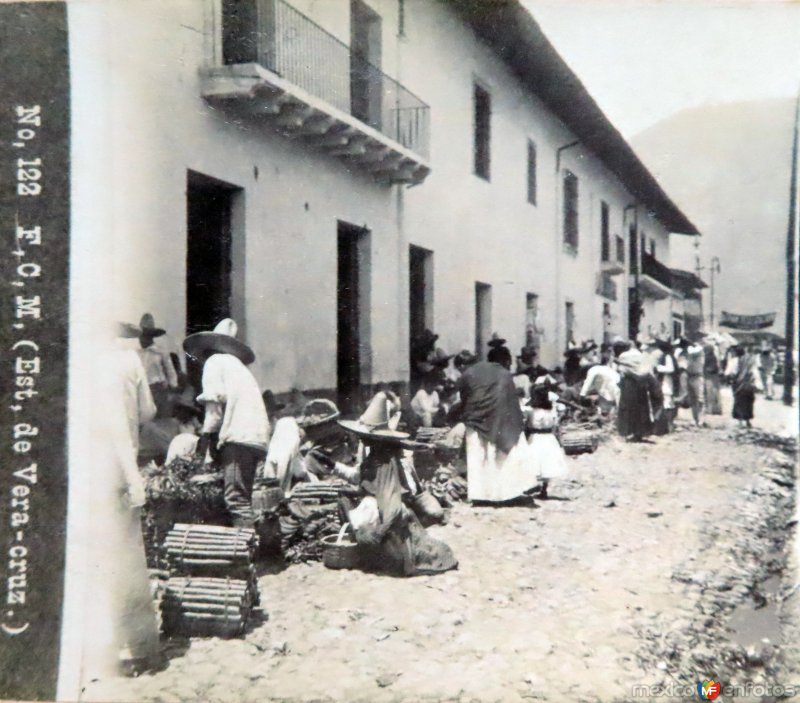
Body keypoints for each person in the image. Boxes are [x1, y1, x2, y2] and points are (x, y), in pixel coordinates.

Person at [87, 322, 160, 680]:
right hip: (118, 469)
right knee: (128, 557)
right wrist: (134, 478)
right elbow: (147, 412)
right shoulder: (129, 360)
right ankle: (137, 648)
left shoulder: (82, 361)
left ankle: (96, 646)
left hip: (86, 471)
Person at [336, 395, 458, 576]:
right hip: (382, 512)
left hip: (391, 522)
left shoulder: (384, 462)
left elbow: (393, 508)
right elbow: (364, 481)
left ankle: (380, 553)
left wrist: (377, 534)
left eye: (364, 436)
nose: (361, 439)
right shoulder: (372, 458)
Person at [183, 318, 269, 527]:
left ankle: (244, 553)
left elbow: (214, 409)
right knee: (243, 496)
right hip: (256, 436)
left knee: (236, 500)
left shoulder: (214, 363)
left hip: (238, 437)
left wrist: (205, 443)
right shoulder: (239, 368)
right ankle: (250, 547)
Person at [450, 348, 535, 503]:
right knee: (505, 457)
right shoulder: (499, 370)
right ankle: (510, 492)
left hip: (479, 419)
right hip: (506, 416)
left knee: (480, 455)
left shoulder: (467, 376)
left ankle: (482, 495)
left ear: (462, 365)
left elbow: (466, 401)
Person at [525, 376, 568, 499]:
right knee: (547, 463)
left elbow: (526, 424)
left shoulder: (530, 410)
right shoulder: (551, 411)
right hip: (549, 438)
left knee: (533, 461)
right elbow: (556, 425)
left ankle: (532, 485)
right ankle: (544, 488)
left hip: (535, 436)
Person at [137, 313, 179, 418]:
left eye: (146, 335)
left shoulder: (160, 352)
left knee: (160, 417)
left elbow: (170, 371)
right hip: (142, 389)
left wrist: (173, 386)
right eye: (141, 335)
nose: (142, 339)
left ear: (151, 337)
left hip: (158, 389)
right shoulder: (136, 353)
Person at [614, 339, 656, 441]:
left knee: (628, 407)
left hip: (629, 383)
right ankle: (641, 432)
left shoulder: (623, 356)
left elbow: (621, 370)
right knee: (641, 407)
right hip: (641, 383)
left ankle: (628, 432)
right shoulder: (641, 355)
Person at [580, 349, 620, 416]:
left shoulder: (594, 369)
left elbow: (587, 383)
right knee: (611, 414)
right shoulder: (614, 372)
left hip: (605, 396)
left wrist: (582, 395)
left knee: (602, 413)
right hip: (615, 396)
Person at [731, 345, 762, 428]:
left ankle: (740, 421)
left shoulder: (738, 360)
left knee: (739, 402)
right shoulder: (752, 360)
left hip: (740, 384)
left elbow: (734, 372)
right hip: (749, 384)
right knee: (748, 402)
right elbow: (755, 372)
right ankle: (747, 421)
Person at [653, 338, 677, 434]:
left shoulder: (667, 356)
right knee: (665, 403)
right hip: (664, 381)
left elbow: (671, 369)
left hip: (667, 381)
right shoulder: (665, 356)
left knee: (667, 403)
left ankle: (668, 426)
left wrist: (658, 368)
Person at [684, 338, 706, 427]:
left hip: (697, 376)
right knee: (693, 399)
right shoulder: (691, 354)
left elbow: (695, 350)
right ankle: (695, 418)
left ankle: (700, 419)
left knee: (700, 399)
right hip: (690, 376)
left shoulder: (699, 352)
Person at [703, 335, 723, 415]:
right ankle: (716, 409)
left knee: (709, 394)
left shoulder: (708, 357)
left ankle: (710, 409)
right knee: (714, 394)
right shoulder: (713, 357)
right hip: (714, 377)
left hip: (709, 377)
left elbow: (711, 368)